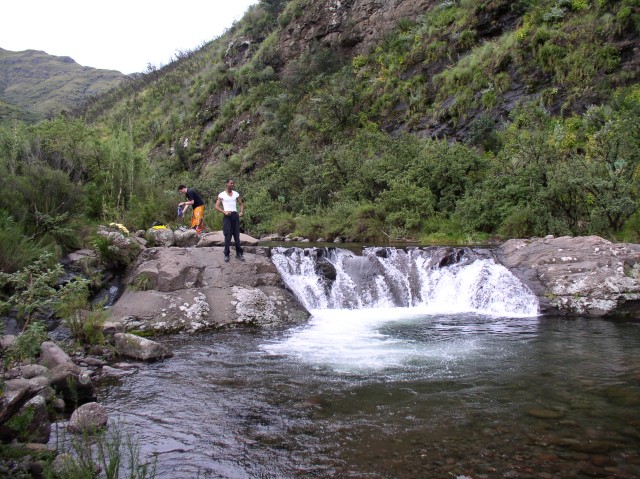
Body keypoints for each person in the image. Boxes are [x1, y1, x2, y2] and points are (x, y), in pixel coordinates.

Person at [215, 179, 245, 262]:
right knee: (227, 235)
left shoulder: (236, 194)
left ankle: (239, 254)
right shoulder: (222, 195)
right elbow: (216, 206)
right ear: (226, 184)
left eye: (233, 183)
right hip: (227, 216)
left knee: (236, 235)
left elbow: (241, 203)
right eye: (231, 183)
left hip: (235, 215)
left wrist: (241, 212)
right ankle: (226, 254)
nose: (232, 184)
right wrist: (224, 212)